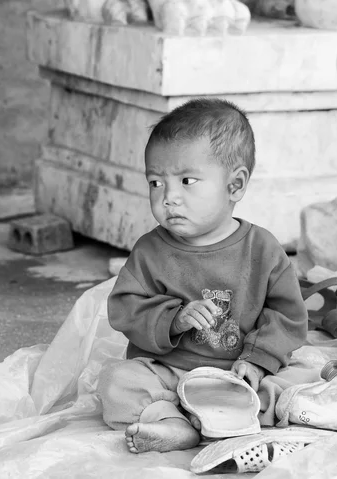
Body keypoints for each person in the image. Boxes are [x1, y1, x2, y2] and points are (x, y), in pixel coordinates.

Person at [97, 98, 308, 454]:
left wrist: (257, 361)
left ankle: (239, 415)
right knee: (117, 382)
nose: (168, 197)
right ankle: (174, 424)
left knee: (298, 380)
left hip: (237, 376)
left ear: (235, 185)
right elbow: (124, 308)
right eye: (155, 183)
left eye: (186, 180)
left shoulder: (263, 249)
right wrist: (173, 319)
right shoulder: (150, 251)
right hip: (167, 371)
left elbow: (287, 316)